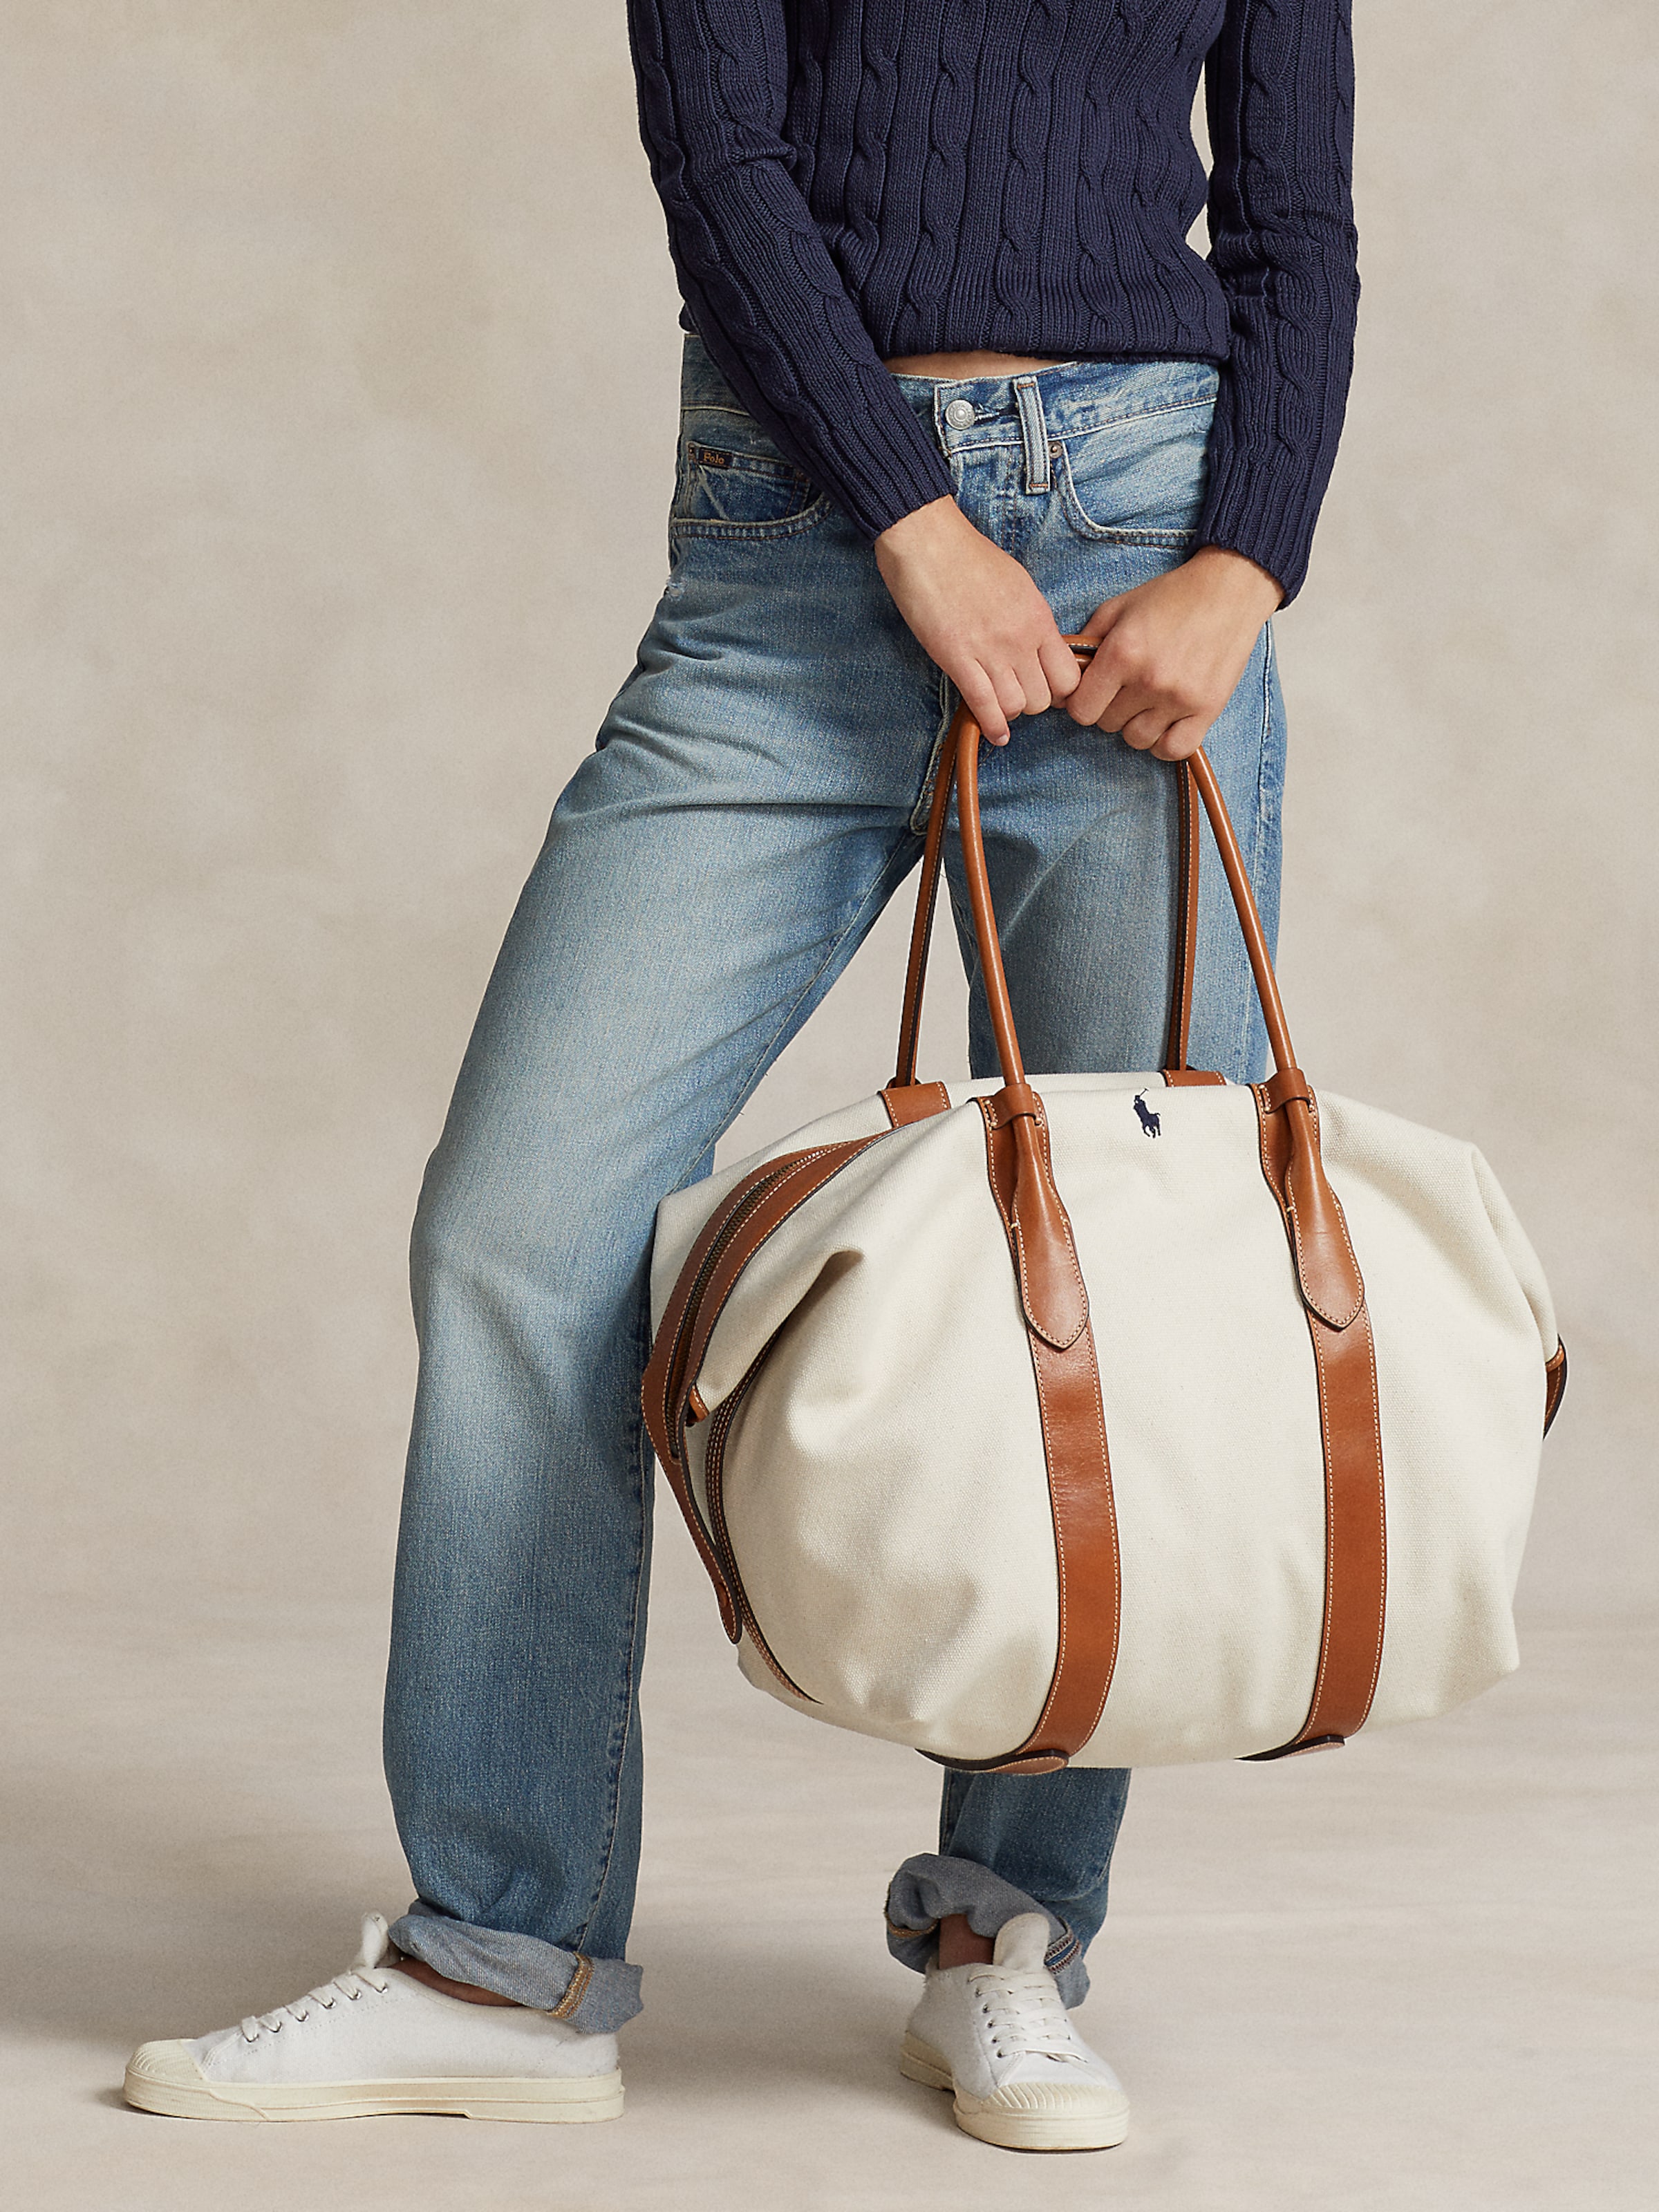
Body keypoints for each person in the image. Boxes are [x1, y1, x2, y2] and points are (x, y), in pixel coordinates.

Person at [123, 0, 1358, 2153]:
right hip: (797, 560)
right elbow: (724, 155)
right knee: (523, 1231)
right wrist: (910, 514)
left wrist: (1247, 560)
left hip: (1144, 564)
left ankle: (1009, 1938)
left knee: (1110, 1279)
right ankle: (504, 1968)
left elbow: (1296, 225)